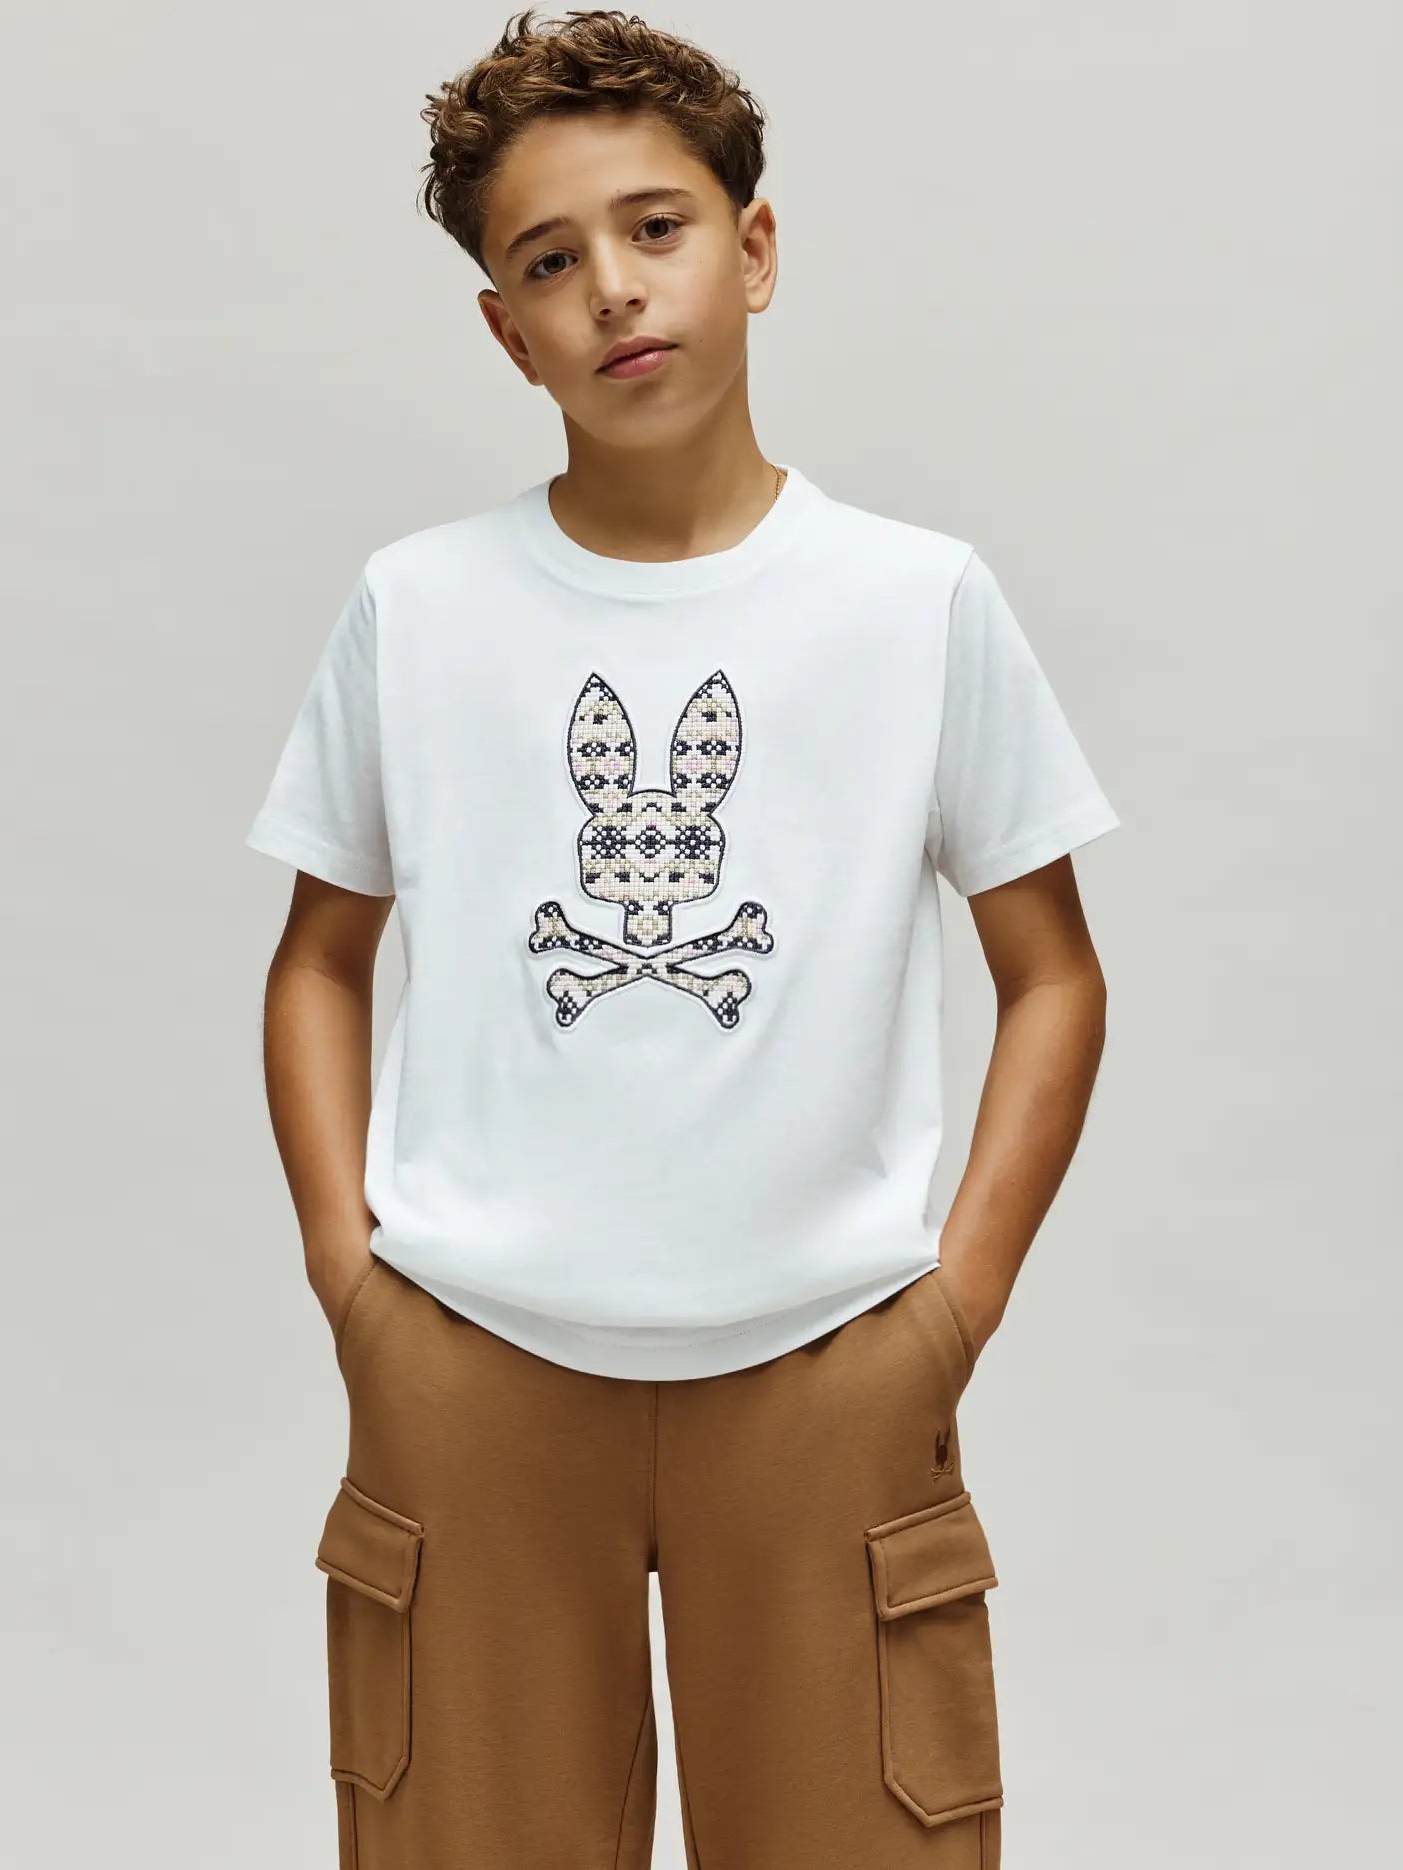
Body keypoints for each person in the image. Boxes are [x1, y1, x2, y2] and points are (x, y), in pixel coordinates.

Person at [243, 10, 1119, 1867]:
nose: (615, 291)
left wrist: (950, 1308)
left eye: (657, 229)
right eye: (549, 261)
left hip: (829, 1367)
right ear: (507, 329)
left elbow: (1052, 971)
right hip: (472, 1365)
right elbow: (320, 954)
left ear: (756, 247)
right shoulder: (420, 607)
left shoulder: (914, 603)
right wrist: (351, 1279)